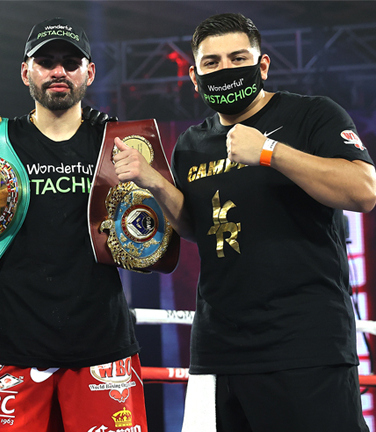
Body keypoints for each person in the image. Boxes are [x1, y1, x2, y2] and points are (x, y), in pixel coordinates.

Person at [113, 12, 376, 432]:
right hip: (220, 349)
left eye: (238, 58)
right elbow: (196, 228)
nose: (227, 70)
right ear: (195, 79)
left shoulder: (312, 115)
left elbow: (364, 190)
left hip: (303, 343)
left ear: (263, 65)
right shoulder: (192, 143)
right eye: (212, 64)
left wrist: (270, 150)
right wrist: (154, 183)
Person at [0, 17, 148, 432]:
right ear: (26, 71)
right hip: (14, 346)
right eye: (46, 61)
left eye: (70, 61)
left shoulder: (118, 141)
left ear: (89, 72)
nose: (58, 71)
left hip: (102, 343)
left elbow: (159, 239)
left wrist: (151, 179)